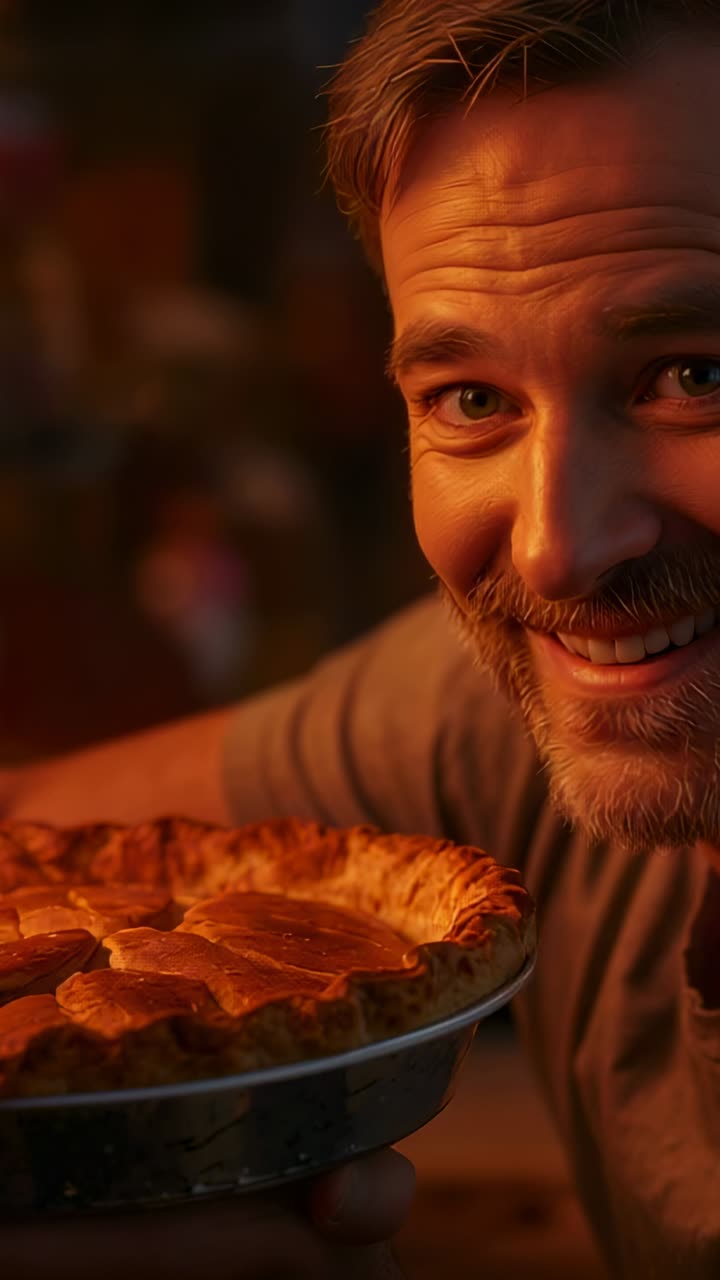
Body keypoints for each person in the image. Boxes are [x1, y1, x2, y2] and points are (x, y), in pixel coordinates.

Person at [4, 0, 720, 1275]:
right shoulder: (511, 706)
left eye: (694, 375)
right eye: (472, 398)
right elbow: (31, 835)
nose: (553, 549)